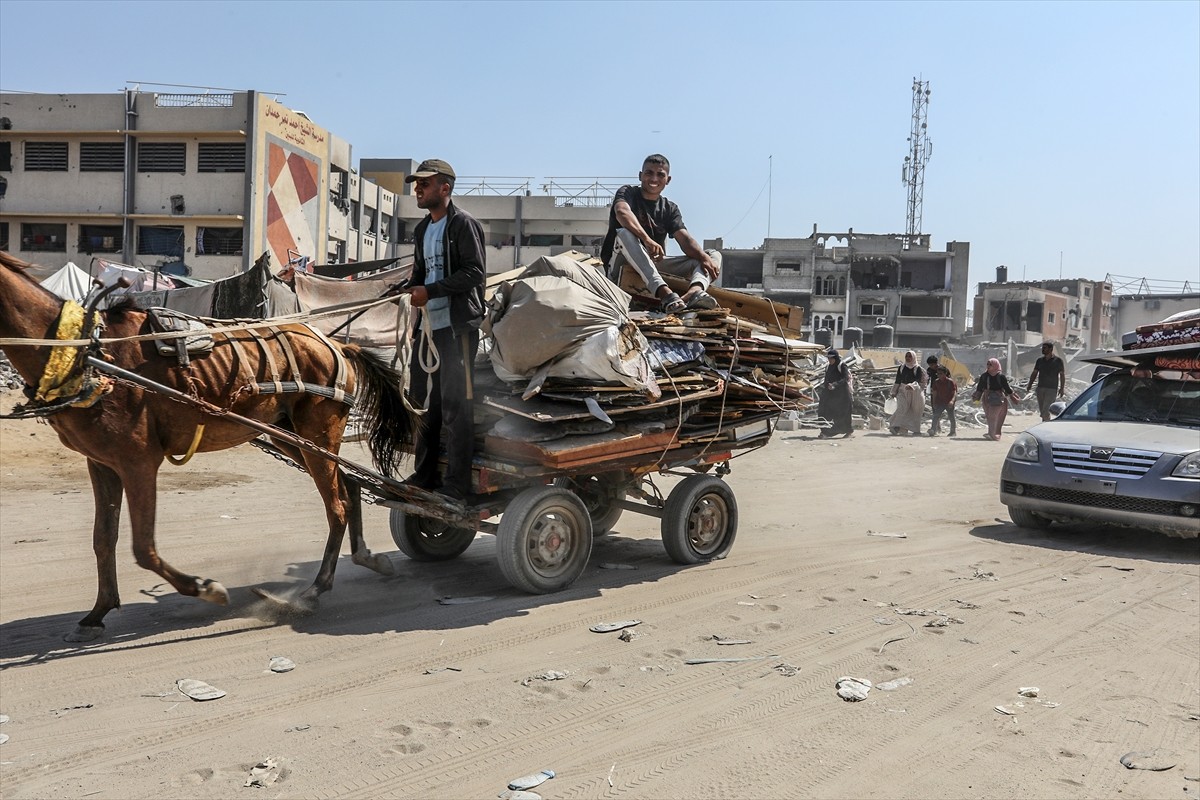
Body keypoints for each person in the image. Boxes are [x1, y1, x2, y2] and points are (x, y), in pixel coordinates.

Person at [401, 159, 486, 503]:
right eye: (416, 184)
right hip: (428, 330)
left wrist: (430, 291)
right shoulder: (423, 230)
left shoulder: (463, 224)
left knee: (456, 406)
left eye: (425, 183)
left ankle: (457, 485)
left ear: (445, 188)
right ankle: (423, 476)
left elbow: (474, 273)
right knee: (423, 405)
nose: (417, 189)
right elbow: (421, 275)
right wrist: (407, 289)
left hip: (457, 329)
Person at [600, 154, 722, 313]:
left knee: (712, 255)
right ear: (640, 176)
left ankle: (694, 293)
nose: (654, 178)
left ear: (668, 180)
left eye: (660, 174)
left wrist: (704, 257)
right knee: (624, 233)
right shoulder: (628, 192)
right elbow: (622, 212)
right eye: (649, 173)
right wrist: (647, 240)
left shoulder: (669, 208)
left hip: (653, 265)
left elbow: (685, 240)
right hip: (622, 265)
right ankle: (664, 293)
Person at [973, 358, 1022, 441]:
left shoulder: (1001, 377)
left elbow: (1006, 388)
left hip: (998, 398)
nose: (988, 366)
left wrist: (1012, 395)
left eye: (990, 364)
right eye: (987, 364)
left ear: (995, 365)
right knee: (990, 416)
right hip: (988, 399)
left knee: (995, 417)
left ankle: (993, 434)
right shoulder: (984, 376)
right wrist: (976, 397)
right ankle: (993, 434)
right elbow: (980, 388)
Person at [817, 347, 854, 438]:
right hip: (832, 395)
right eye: (828, 358)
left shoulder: (842, 365)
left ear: (835, 358)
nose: (829, 360)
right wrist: (827, 386)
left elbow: (845, 378)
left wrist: (835, 384)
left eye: (831, 358)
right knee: (825, 411)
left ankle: (847, 431)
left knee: (843, 415)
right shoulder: (828, 367)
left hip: (843, 395)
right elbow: (826, 379)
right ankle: (826, 431)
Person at [888, 350, 927, 435]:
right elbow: (898, 380)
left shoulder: (918, 368)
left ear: (913, 358)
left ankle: (915, 430)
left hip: (915, 392)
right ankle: (895, 426)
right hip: (903, 390)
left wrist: (911, 386)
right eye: (907, 356)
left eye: (910, 356)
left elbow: (917, 380)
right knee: (902, 408)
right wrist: (894, 391)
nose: (908, 358)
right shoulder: (902, 368)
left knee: (915, 411)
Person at [1026, 341, 1066, 421]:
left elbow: (1062, 375)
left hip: (1051, 389)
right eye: (1042, 348)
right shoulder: (1040, 361)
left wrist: (1062, 388)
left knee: (1046, 409)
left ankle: (1045, 423)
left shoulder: (1058, 361)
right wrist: (1030, 384)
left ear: (1051, 349)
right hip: (1040, 388)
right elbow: (1035, 373)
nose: (1043, 349)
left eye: (1045, 348)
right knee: (1042, 410)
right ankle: (1045, 422)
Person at [928, 359, 958, 437]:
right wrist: (934, 402)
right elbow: (934, 393)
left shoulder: (950, 382)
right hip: (940, 402)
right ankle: (933, 429)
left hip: (948, 402)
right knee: (936, 416)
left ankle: (953, 431)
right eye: (938, 374)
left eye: (941, 374)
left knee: (951, 417)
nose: (939, 375)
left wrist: (952, 401)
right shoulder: (936, 382)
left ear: (945, 374)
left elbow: (954, 393)